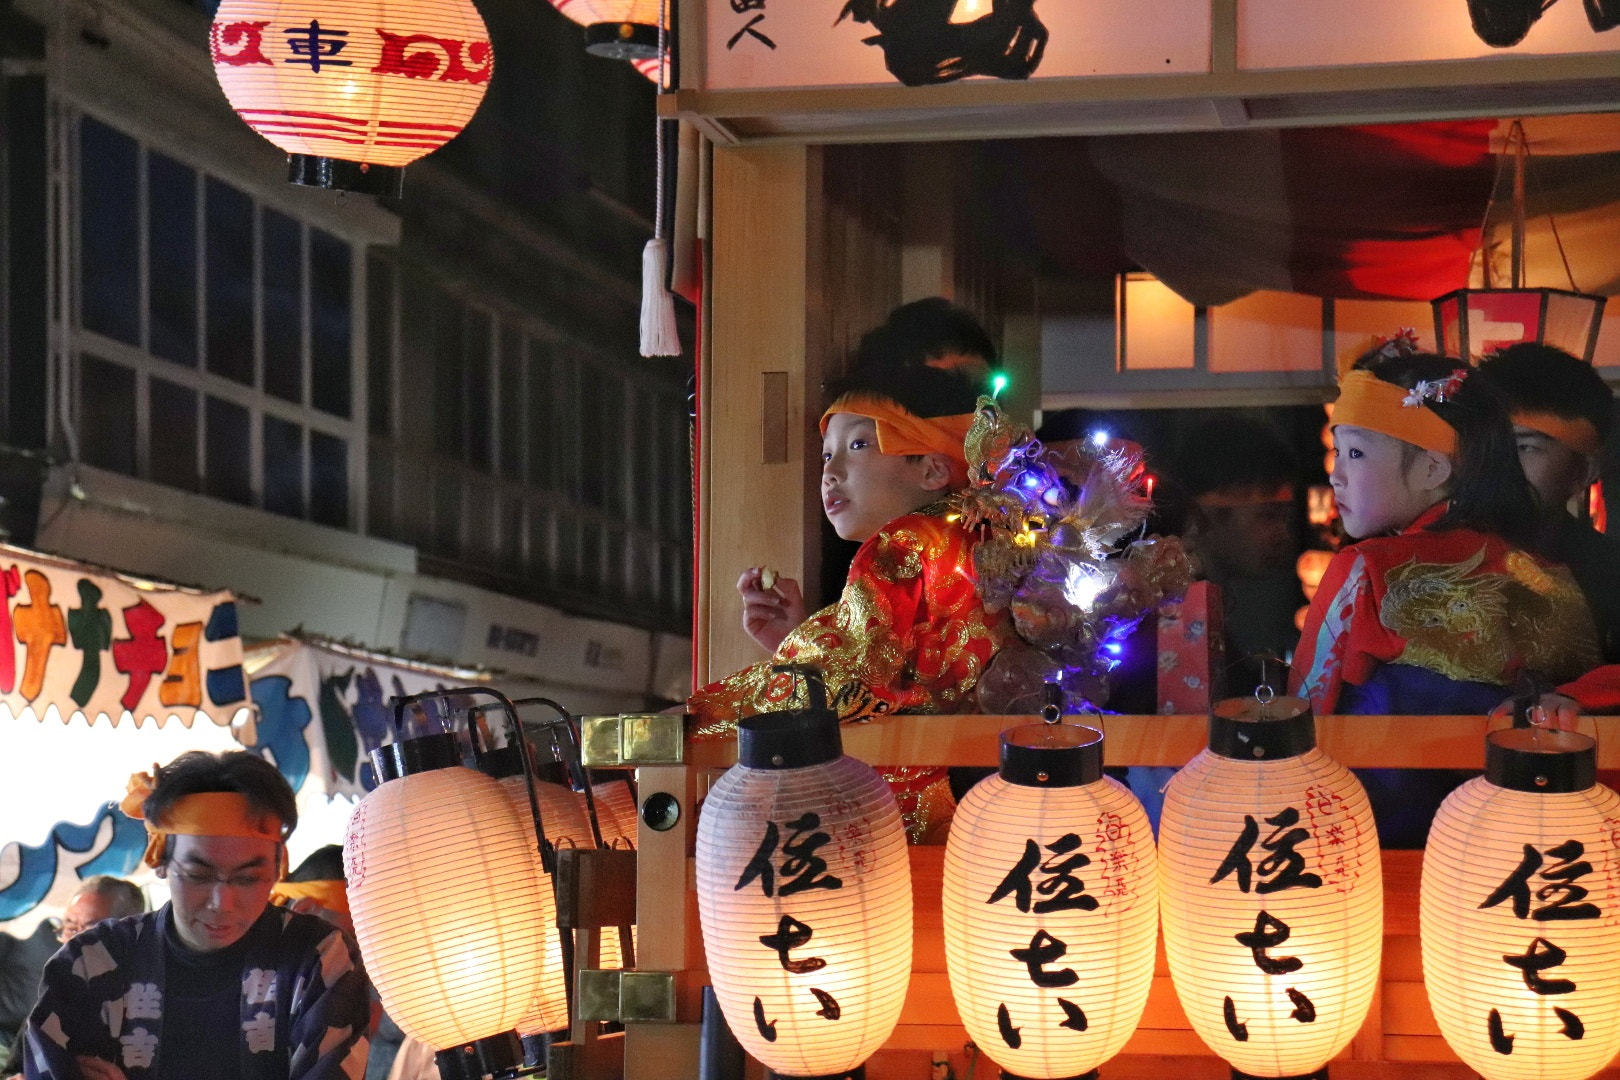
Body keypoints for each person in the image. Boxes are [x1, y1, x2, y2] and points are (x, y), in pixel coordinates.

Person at [687, 298, 1017, 842]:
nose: (832, 471)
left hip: (912, 799)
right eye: (826, 454)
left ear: (934, 467)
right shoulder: (981, 536)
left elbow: (853, 673)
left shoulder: (900, 545)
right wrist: (802, 635)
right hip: (979, 798)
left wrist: (698, 719)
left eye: (859, 445)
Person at [1289, 345, 1601, 846]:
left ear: (1432, 470)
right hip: (1512, 835)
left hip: (1383, 830)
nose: (1336, 473)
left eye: (1356, 453)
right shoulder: (1549, 574)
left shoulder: (1368, 566)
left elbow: (1303, 715)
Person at [22, 752, 371, 1080]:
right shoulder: (91, 963)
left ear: (279, 866)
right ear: (160, 860)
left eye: (249, 877)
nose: (223, 902)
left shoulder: (319, 960)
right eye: (199, 875)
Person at [1478, 342, 1620, 664]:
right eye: (1490, 444)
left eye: (1525, 447)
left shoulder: (1611, 572)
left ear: (1584, 470)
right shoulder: (1433, 553)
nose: (1501, 463)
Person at [3, 879, 146, 1079]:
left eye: (87, 931)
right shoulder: (52, 1002)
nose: (71, 943)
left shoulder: (149, 1003)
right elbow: (13, 1070)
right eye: (69, 928)